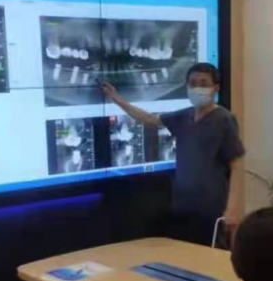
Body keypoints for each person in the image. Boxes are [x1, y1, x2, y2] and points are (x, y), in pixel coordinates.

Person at [102, 63, 245, 246]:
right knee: (183, 253)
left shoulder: (224, 119)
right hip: (182, 205)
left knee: (209, 257)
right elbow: (148, 119)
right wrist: (116, 98)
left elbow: (237, 165)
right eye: (192, 83)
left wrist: (232, 208)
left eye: (203, 83)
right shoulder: (184, 116)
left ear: (216, 88)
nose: (197, 88)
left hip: (211, 208)